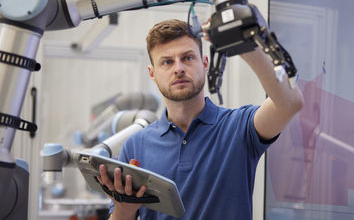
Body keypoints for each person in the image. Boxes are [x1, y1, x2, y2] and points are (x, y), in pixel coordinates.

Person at [97, 19, 304, 220]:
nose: (178, 68)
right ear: (152, 73)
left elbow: (290, 103)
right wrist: (124, 210)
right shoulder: (136, 144)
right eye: (167, 62)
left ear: (205, 63)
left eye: (187, 58)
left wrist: (244, 45)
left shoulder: (239, 127)